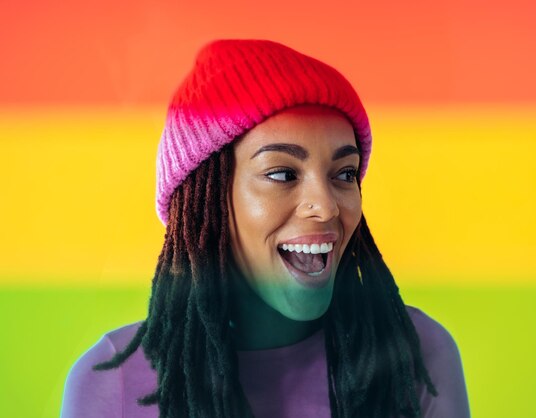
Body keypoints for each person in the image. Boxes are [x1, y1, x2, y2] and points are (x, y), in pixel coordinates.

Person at [61, 39, 470, 418]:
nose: (326, 206)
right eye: (282, 173)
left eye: (344, 173)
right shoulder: (111, 383)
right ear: (205, 204)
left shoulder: (417, 355)